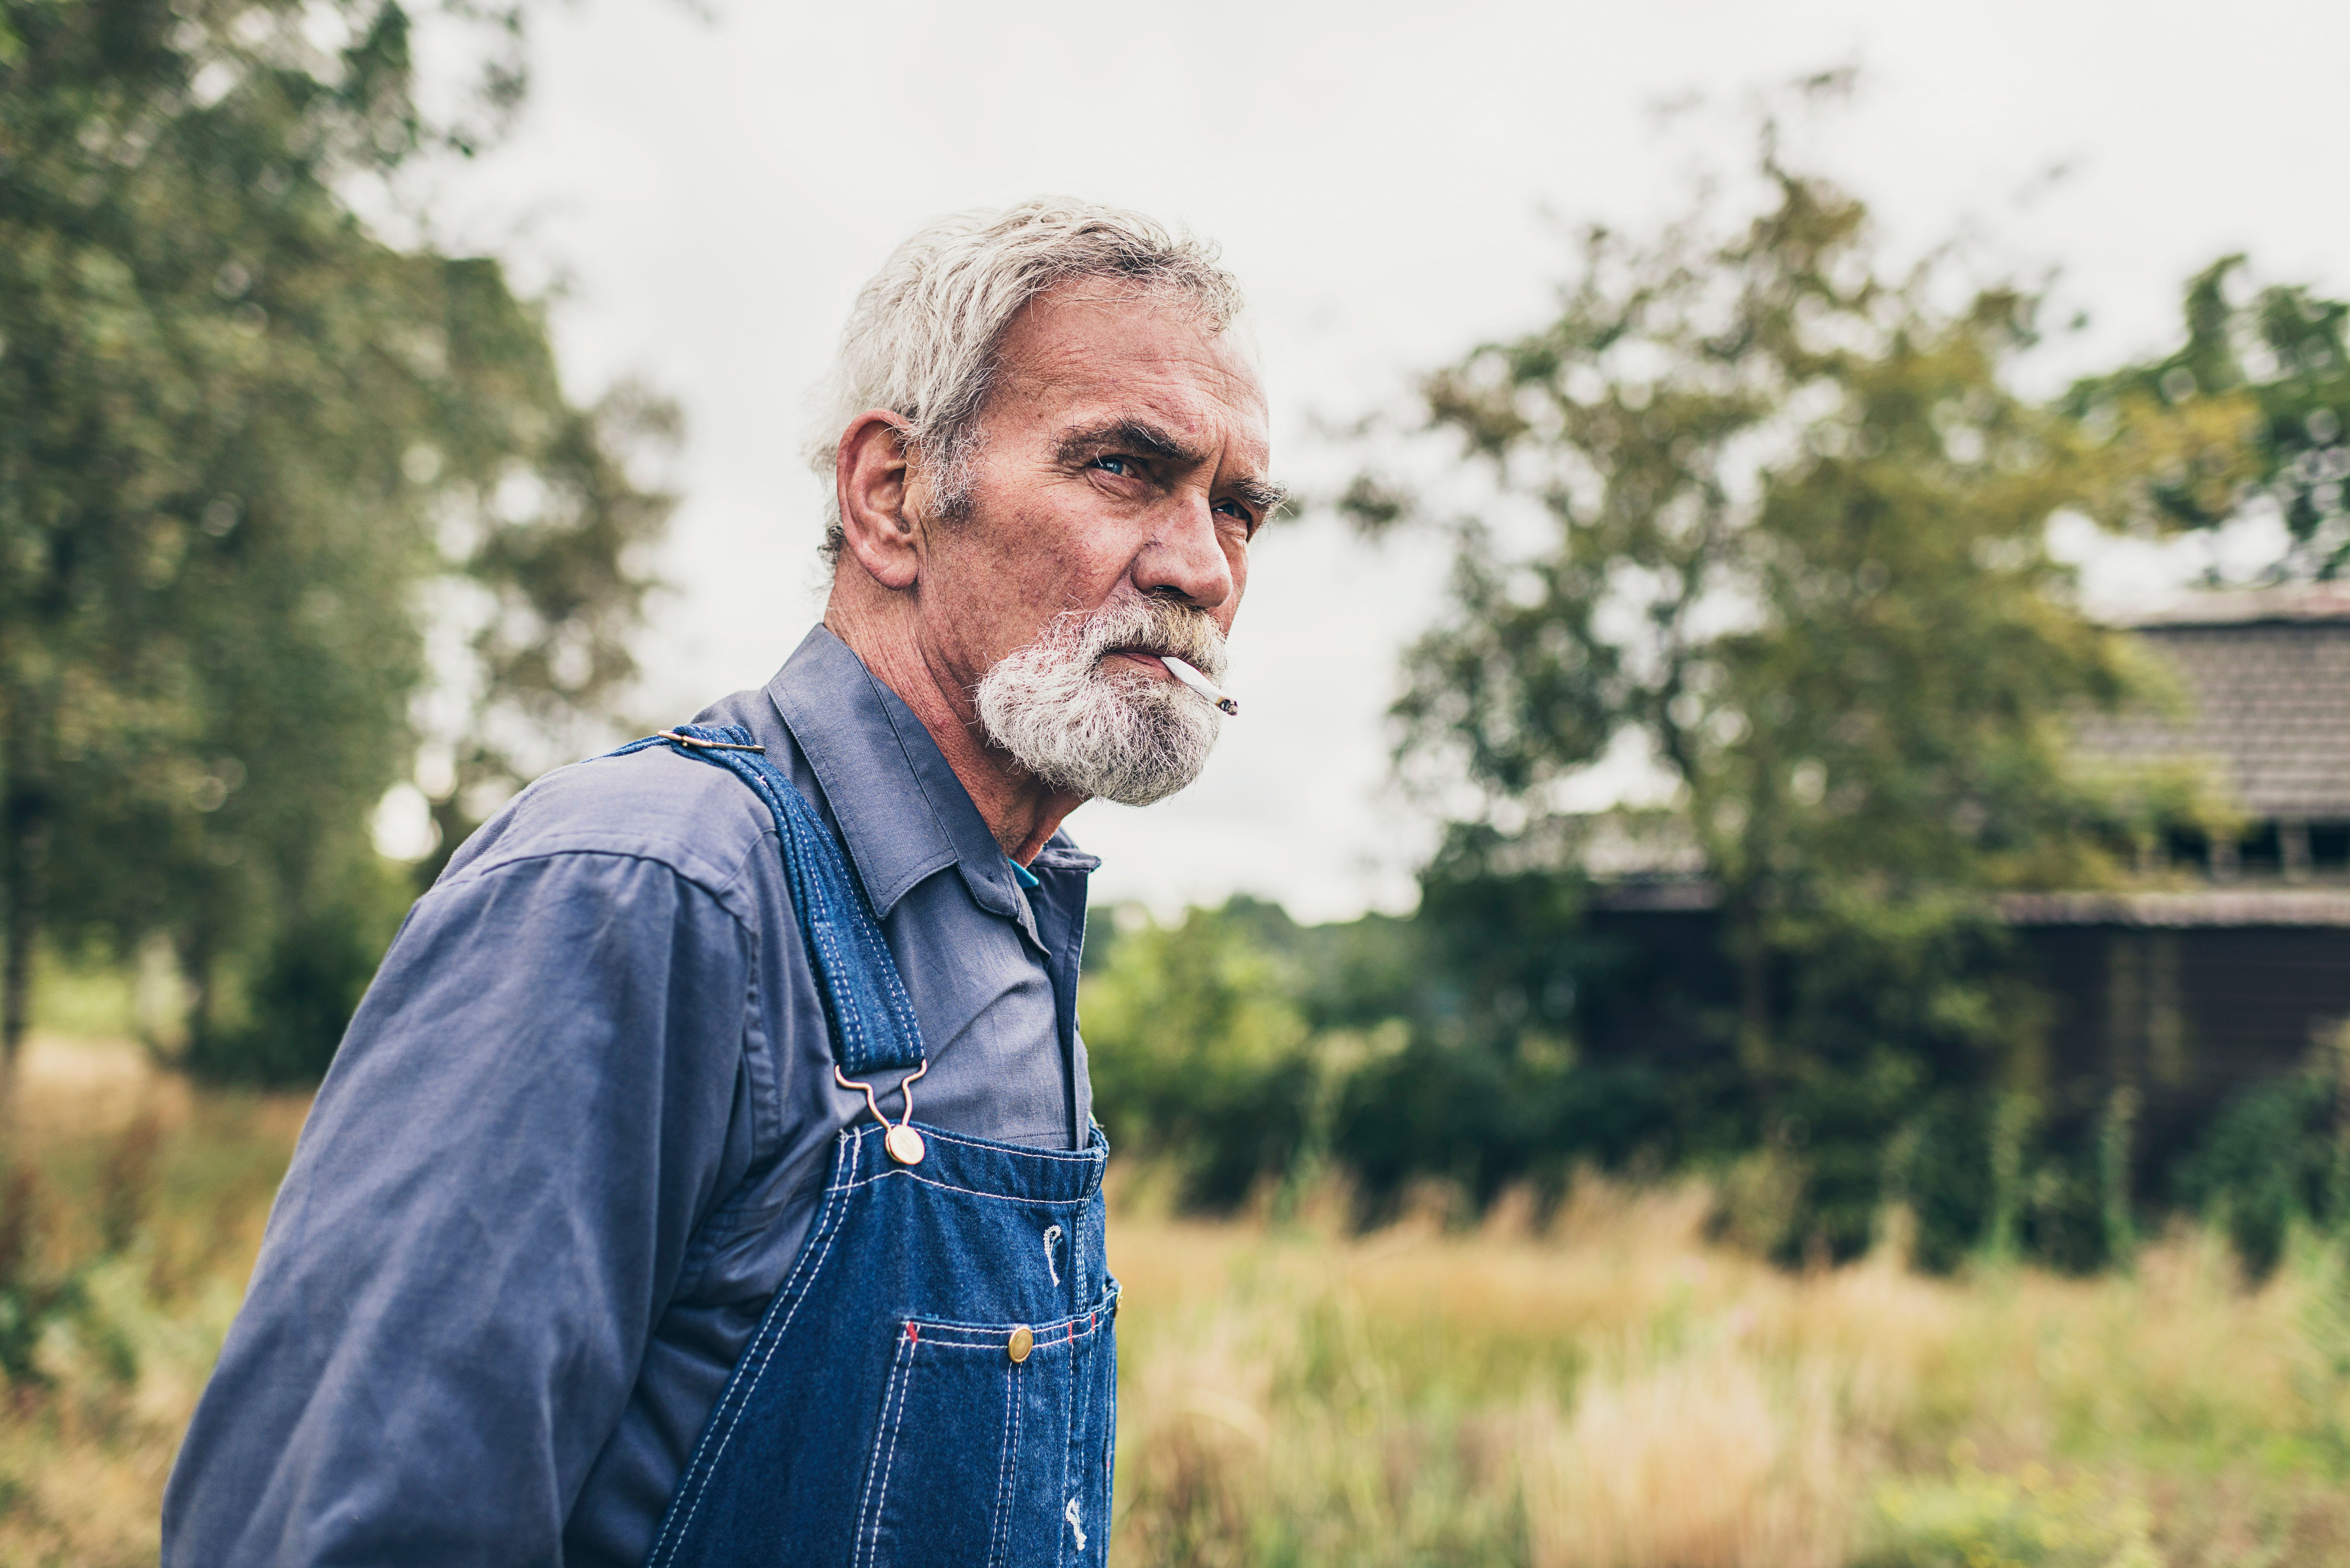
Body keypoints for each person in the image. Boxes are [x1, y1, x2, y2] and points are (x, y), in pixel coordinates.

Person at [161, 199, 1279, 1568]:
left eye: (1235, 508)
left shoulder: (1010, 931)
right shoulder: (637, 891)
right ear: (890, 495)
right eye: (1122, 467)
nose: (1201, 568)